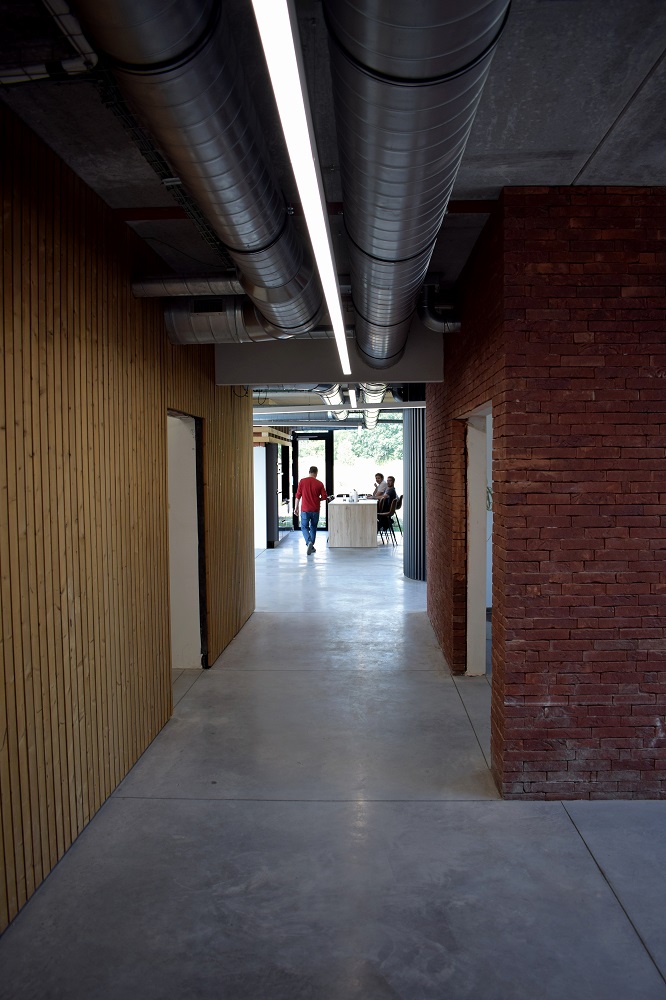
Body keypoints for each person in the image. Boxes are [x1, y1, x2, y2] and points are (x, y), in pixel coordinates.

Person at [294, 466, 328, 555]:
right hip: (315, 510)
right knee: (313, 527)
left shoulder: (302, 481)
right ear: (316, 473)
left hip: (305, 509)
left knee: (304, 527)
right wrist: (317, 499)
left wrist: (296, 508)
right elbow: (324, 497)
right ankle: (311, 545)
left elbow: (298, 496)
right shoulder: (319, 484)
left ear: (309, 472)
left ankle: (309, 542)